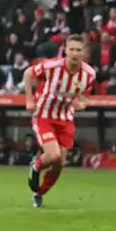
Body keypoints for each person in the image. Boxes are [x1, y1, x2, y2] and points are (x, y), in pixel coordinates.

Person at [23, 34, 96, 207]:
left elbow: (81, 96)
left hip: (65, 119)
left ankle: (39, 193)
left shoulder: (89, 74)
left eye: (78, 50)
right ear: (65, 50)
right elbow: (28, 73)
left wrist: (82, 103)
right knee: (53, 155)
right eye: (71, 49)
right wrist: (29, 99)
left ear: (84, 52)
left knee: (60, 163)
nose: (75, 54)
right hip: (44, 115)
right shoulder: (52, 66)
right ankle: (36, 166)